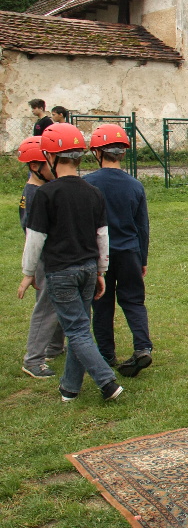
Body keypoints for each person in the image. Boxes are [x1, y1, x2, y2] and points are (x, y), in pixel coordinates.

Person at [18, 123, 123, 402]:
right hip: (88, 269)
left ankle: (107, 382)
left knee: (76, 331)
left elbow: (35, 238)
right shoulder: (93, 191)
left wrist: (28, 273)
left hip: (61, 272)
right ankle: (70, 388)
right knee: (81, 329)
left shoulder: (45, 194)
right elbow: (102, 235)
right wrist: (101, 270)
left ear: (51, 157)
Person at [83, 125, 153, 377]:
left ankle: (106, 354)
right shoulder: (135, 185)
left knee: (101, 304)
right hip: (129, 252)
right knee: (133, 300)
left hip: (98, 255)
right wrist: (142, 258)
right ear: (123, 153)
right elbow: (142, 226)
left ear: (97, 152)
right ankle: (142, 347)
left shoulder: (87, 183)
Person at [16, 135, 64, 378]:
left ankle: (54, 347)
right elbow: (33, 234)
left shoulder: (37, 190)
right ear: (35, 166)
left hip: (50, 257)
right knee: (46, 306)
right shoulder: (36, 194)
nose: (55, 167)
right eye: (50, 162)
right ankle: (33, 359)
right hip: (46, 259)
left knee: (57, 302)